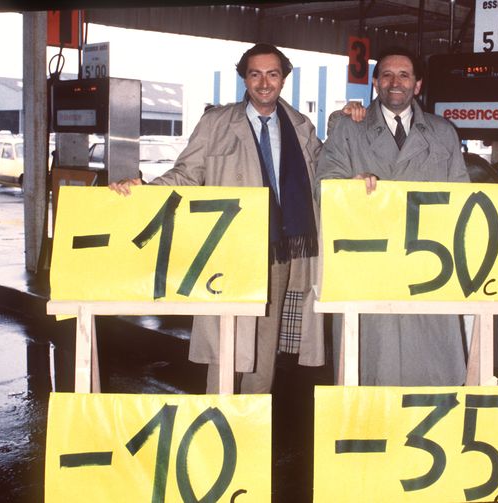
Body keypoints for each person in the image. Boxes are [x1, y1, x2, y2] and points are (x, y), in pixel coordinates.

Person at [110, 43, 325, 394]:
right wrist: (144, 189)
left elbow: (326, 176)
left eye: (272, 73)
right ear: (245, 78)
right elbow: (187, 173)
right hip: (229, 249)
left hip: (280, 251)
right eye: (255, 73)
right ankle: (220, 417)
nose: (264, 82)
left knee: (264, 346)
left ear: (283, 78)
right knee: (228, 344)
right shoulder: (216, 122)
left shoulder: (300, 126)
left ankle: (253, 418)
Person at [315, 46, 471, 387]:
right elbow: (322, 184)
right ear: (375, 83)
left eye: (404, 75)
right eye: (386, 75)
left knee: (431, 372)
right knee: (371, 369)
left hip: (429, 267)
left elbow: (461, 196)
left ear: (417, 85)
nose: (395, 82)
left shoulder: (444, 132)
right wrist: (348, 189)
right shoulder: (347, 129)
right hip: (368, 266)